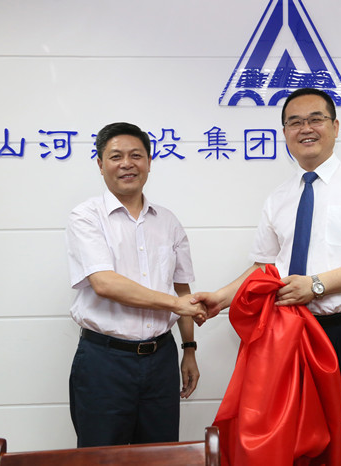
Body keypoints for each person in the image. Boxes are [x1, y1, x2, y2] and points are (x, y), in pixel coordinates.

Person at [193, 88, 341, 429]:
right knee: (297, 434)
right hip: (290, 331)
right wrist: (220, 298)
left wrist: (316, 285)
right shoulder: (278, 198)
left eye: (315, 119)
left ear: (335, 127)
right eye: (295, 122)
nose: (305, 128)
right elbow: (265, 267)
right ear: (285, 133)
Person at [65, 122, 206, 447]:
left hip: (161, 359)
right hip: (104, 361)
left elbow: (182, 290)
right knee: (101, 456)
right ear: (100, 164)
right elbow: (105, 283)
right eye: (116, 156)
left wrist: (189, 349)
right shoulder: (86, 217)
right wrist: (175, 304)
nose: (127, 164)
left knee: (160, 454)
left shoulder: (168, 221)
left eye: (136, 155)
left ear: (149, 162)